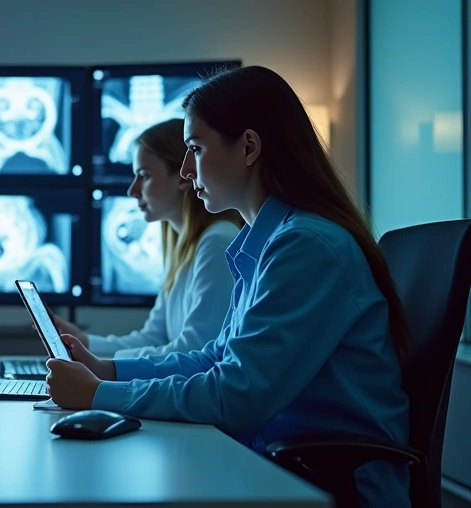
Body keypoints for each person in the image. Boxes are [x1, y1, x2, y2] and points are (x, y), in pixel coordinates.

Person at [45, 65, 411, 507]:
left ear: (249, 147)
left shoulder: (306, 246)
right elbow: (215, 357)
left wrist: (98, 394)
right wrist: (109, 371)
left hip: (330, 483)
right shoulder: (266, 244)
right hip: (278, 463)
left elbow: (237, 396)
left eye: (195, 149)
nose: (185, 171)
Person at [52, 118, 242, 358]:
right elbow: (154, 338)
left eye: (144, 176)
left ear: (184, 176)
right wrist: (85, 343)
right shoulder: (185, 248)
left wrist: (106, 367)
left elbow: (194, 351)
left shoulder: (217, 242)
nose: (132, 190)